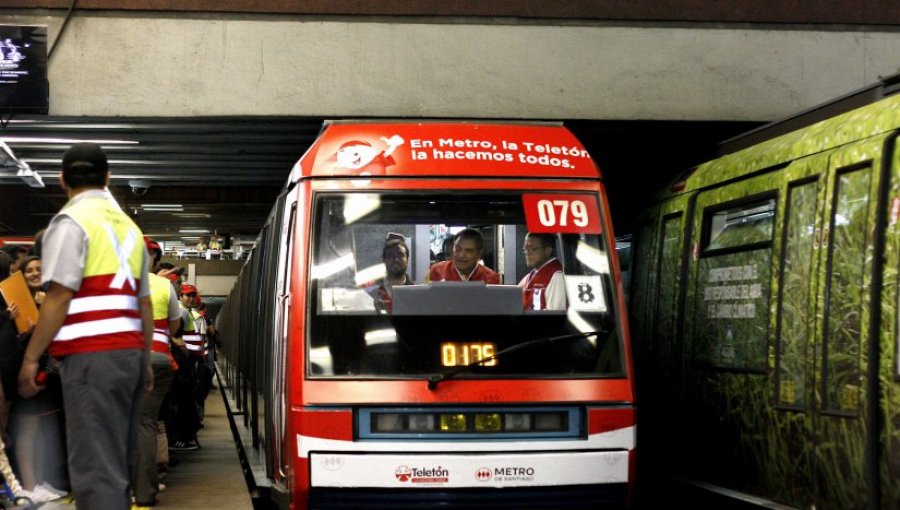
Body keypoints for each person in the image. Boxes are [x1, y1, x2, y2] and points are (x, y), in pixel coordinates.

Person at [17, 142, 153, 510]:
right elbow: (143, 301)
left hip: (93, 357)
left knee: (95, 469)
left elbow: (59, 296)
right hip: (128, 356)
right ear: (106, 178)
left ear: (62, 180)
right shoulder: (129, 227)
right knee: (117, 464)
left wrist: (32, 358)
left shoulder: (71, 222)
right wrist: (143, 357)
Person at [7, 256, 68, 494]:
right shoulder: (14, 304)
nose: (34, 273)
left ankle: (42, 481)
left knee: (44, 430)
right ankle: (31, 485)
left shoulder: (49, 301)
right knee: (28, 430)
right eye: (29, 270)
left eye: (39, 269)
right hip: (24, 374)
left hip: (49, 373)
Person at [132, 238, 179, 506]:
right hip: (158, 360)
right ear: (156, 258)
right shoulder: (164, 286)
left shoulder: (117, 282)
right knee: (145, 424)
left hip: (122, 359)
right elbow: (174, 329)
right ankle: (146, 491)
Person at [427, 228, 500, 284]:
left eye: (469, 251)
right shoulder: (435, 271)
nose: (461, 255)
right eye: (458, 249)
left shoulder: (492, 278)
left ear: (479, 254)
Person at [365, 234, 415, 313]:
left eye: (400, 254)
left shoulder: (416, 293)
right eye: (390, 255)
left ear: (407, 259)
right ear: (384, 260)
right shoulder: (370, 290)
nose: (396, 259)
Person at [518, 233, 566, 311]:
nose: (528, 253)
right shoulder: (532, 275)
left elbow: (555, 314)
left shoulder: (556, 275)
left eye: (533, 249)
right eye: (526, 249)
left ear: (548, 250)